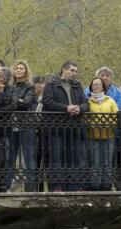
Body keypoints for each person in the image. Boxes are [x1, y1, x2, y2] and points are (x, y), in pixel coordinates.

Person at [41, 61, 88, 191]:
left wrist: (80, 109)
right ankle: (57, 186)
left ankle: (73, 186)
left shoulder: (77, 86)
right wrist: (66, 108)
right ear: (64, 70)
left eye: (76, 71)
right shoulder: (51, 84)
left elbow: (86, 103)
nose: (75, 74)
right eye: (72, 70)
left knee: (74, 158)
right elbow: (47, 101)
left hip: (74, 127)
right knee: (56, 158)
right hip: (56, 128)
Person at [3, 60, 36, 192]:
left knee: (28, 156)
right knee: (10, 157)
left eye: (21, 68)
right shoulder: (8, 86)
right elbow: (4, 101)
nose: (18, 70)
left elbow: (27, 103)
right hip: (11, 125)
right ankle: (6, 186)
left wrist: (13, 100)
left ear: (26, 71)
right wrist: (17, 101)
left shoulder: (30, 87)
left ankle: (30, 186)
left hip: (26, 124)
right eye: (16, 68)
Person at [85, 76, 118, 191]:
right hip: (92, 137)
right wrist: (92, 124)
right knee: (95, 163)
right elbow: (85, 118)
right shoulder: (87, 102)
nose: (97, 87)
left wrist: (108, 124)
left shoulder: (110, 101)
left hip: (109, 136)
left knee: (107, 163)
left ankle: (107, 186)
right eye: (94, 85)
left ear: (103, 87)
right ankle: (95, 186)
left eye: (99, 84)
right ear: (91, 88)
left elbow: (116, 116)